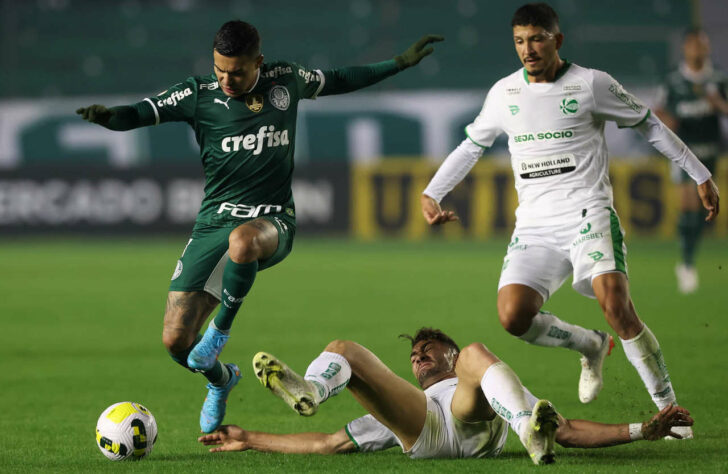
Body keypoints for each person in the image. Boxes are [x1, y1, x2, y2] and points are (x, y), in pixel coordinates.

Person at [76, 20, 443, 433]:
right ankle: (221, 380)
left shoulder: (284, 80)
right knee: (176, 343)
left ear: (259, 63)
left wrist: (398, 63)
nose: (227, 79)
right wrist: (111, 118)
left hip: (273, 219)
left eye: (236, 71)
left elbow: (338, 79)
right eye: (220, 70)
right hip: (213, 220)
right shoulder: (199, 93)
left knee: (244, 240)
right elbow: (143, 112)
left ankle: (219, 334)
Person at [419, 3, 719, 440]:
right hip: (535, 227)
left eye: (537, 38)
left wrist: (700, 173)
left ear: (557, 40)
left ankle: (669, 409)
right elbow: (470, 146)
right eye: (520, 40)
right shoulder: (504, 94)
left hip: (588, 214)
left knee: (616, 304)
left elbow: (650, 125)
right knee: (513, 316)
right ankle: (589, 345)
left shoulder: (591, 84)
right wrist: (432, 192)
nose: (529, 49)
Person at [198, 328, 693, 465]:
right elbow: (327, 443)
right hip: (424, 429)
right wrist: (248, 438)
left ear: (448, 357)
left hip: (474, 415)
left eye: (430, 351)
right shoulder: (413, 404)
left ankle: (526, 431)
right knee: (343, 349)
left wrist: (639, 430)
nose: (419, 359)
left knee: (482, 357)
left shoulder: (490, 381)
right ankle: (313, 386)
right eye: (415, 356)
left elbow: (566, 430)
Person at [654, 27, 728, 294]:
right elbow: (657, 109)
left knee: (703, 210)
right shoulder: (673, 80)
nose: (699, 49)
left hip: (710, 152)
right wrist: (666, 119)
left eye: (703, 45)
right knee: (687, 203)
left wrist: (718, 104)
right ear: (686, 48)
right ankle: (686, 264)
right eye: (694, 45)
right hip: (684, 153)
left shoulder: (718, 79)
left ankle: (689, 256)